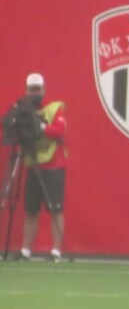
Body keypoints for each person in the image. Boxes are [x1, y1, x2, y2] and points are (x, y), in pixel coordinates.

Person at [15, 73, 68, 262]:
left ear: (44, 90)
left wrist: (41, 127)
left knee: (55, 209)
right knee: (31, 210)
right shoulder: (22, 110)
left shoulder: (53, 109)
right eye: (32, 89)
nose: (34, 93)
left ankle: (56, 251)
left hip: (53, 166)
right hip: (33, 165)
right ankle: (25, 250)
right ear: (26, 91)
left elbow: (60, 131)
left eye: (37, 89)